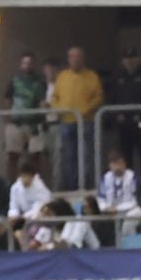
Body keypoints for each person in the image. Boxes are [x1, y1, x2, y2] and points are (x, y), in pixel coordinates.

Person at [52, 47, 103, 191]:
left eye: (78, 56)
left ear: (83, 58)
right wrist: (58, 109)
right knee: (69, 157)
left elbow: (98, 97)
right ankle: (72, 187)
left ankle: (86, 186)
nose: (75, 59)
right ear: (68, 59)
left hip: (85, 122)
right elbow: (55, 97)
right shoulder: (62, 76)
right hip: (66, 123)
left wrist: (84, 110)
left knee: (86, 156)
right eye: (72, 57)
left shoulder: (92, 76)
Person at [107, 48, 141, 171]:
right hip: (123, 123)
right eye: (126, 59)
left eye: (132, 59)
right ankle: (128, 180)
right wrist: (116, 115)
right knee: (125, 153)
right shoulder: (118, 77)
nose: (129, 62)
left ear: (138, 59)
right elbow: (111, 98)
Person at [1, 54, 48, 174]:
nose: (27, 65)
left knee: (35, 157)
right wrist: (7, 118)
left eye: (29, 63)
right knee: (13, 156)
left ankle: (35, 185)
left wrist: (43, 118)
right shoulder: (14, 80)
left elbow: (42, 101)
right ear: (20, 65)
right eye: (24, 63)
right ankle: (12, 187)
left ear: (33, 65)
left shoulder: (40, 82)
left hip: (34, 123)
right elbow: (7, 99)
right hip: (16, 122)